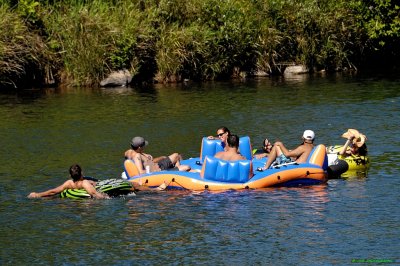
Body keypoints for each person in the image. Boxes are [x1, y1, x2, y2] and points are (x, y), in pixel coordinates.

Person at [28, 164, 109, 199]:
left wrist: (37, 194)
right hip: (87, 205)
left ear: (70, 176)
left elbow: (53, 192)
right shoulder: (85, 183)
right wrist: (108, 198)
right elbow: (95, 194)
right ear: (81, 172)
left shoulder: (69, 183)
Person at [125, 136, 190, 174]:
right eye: (143, 146)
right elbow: (141, 172)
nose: (145, 147)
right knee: (187, 167)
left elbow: (151, 161)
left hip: (158, 165)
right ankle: (176, 174)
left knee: (176, 155)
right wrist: (155, 171)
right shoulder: (137, 156)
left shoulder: (135, 152)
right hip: (159, 171)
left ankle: (176, 171)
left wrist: (162, 157)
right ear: (139, 147)